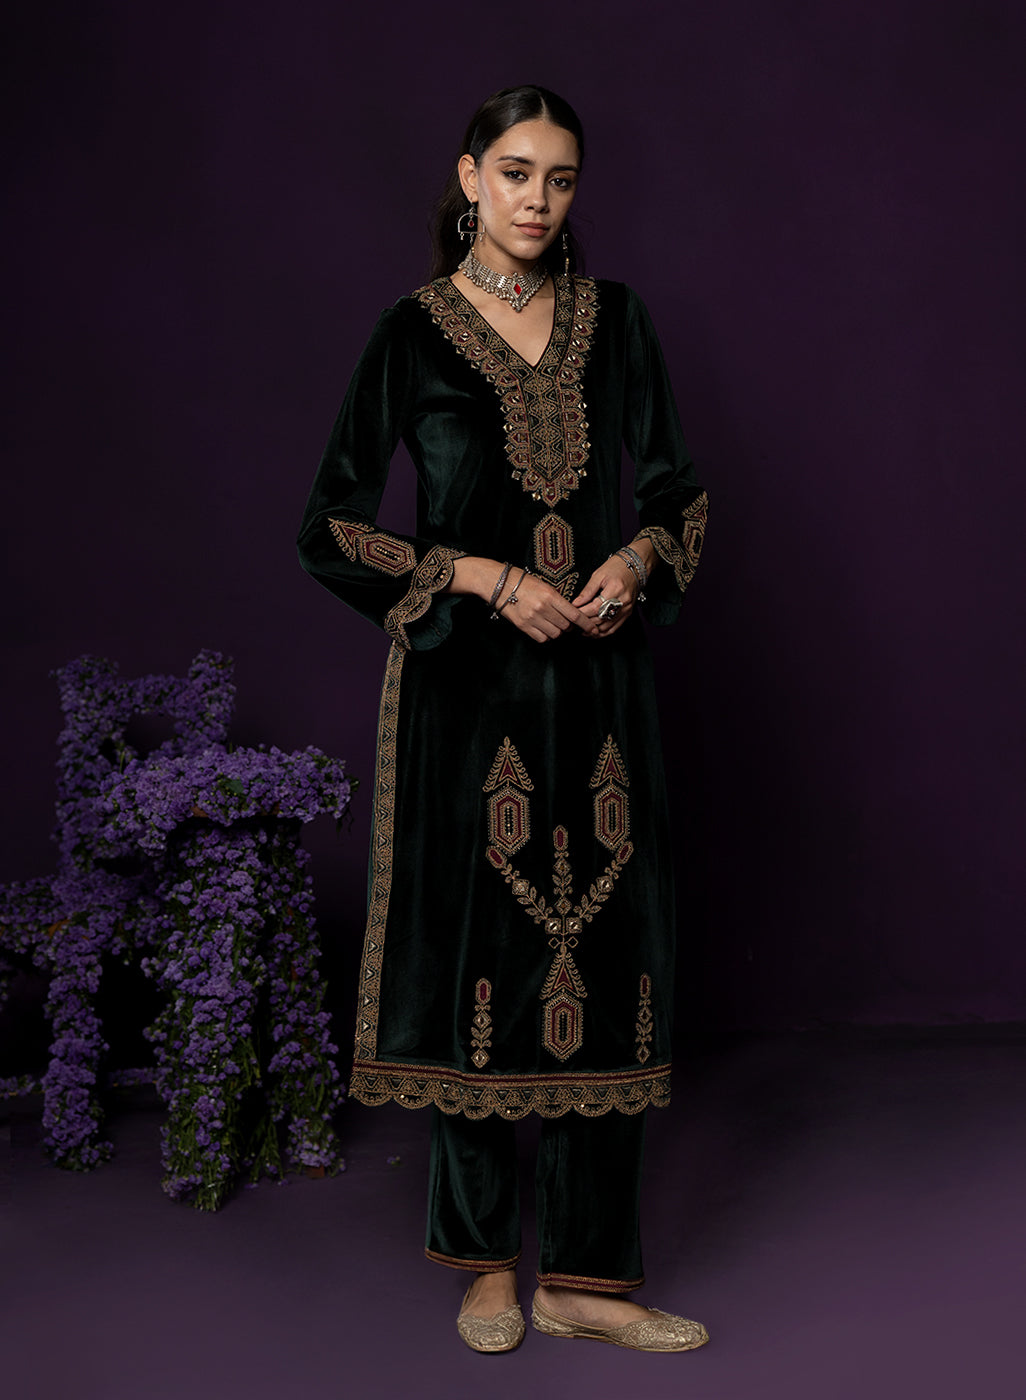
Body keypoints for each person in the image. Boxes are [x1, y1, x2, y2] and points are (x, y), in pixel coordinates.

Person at [298, 84, 709, 1355]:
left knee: (607, 959)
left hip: (599, 691)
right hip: (466, 697)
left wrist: (634, 561)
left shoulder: (618, 320)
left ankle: (586, 1278)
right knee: (476, 958)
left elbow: (680, 495)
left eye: (561, 178)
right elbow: (332, 525)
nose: (539, 200)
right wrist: (479, 576)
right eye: (517, 172)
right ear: (470, 176)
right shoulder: (412, 334)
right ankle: (484, 1264)